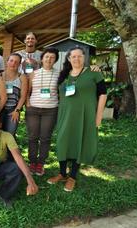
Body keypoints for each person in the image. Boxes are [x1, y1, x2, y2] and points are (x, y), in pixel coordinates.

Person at [47, 46, 107, 192]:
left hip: (84, 116)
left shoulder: (93, 73)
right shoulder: (64, 74)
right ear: (68, 58)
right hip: (64, 115)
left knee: (78, 142)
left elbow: (103, 94)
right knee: (63, 141)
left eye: (79, 56)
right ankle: (62, 173)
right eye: (73, 56)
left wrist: (98, 117)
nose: (76, 59)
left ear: (84, 57)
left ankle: (72, 176)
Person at [26, 47, 60, 176]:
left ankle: (41, 163)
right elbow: (27, 90)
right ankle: (32, 162)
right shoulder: (33, 73)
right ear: (42, 58)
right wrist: (28, 103)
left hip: (50, 110)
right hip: (33, 109)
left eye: (52, 57)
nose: (49, 59)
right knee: (33, 137)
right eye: (47, 57)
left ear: (55, 60)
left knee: (45, 138)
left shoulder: (59, 74)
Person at [0, 53, 28, 136]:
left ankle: (9, 149)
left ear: (19, 64)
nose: (13, 63)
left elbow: (23, 96)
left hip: (13, 111)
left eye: (16, 62)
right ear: (7, 62)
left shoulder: (22, 77)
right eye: (11, 61)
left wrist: (17, 110)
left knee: (10, 135)